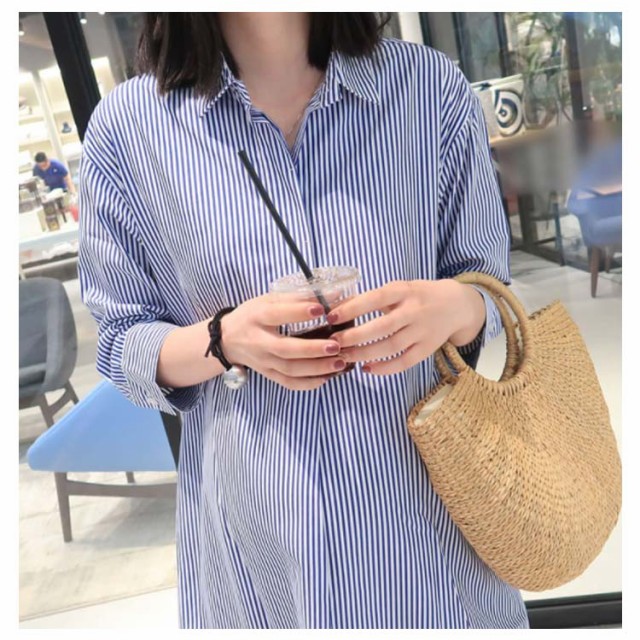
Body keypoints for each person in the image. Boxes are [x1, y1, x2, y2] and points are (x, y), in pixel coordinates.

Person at [78, 13, 529, 629]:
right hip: (262, 533)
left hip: (432, 521)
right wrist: (224, 340)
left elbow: (489, 287)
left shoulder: (426, 89)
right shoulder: (130, 129)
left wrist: (456, 306)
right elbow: (120, 345)